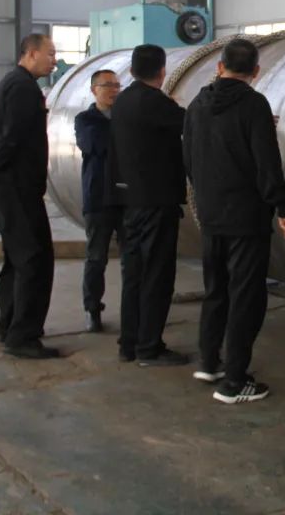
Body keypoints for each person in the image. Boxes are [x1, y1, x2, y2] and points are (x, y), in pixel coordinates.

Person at [183, 39, 285, 405]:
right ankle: (234, 382)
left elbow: (188, 157)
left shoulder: (197, 104)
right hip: (246, 217)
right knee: (246, 296)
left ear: (219, 66)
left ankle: (209, 362)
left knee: (216, 289)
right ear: (256, 72)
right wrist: (283, 207)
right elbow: (267, 163)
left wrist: (205, 194)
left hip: (211, 214)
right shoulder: (254, 105)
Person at [0, 33, 59, 359]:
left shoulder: (10, 83)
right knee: (35, 259)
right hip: (16, 189)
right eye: (50, 54)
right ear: (31, 53)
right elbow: (10, 139)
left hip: (9, 188)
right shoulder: (22, 88)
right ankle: (22, 337)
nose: (54, 61)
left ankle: (7, 326)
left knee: (17, 260)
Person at [110, 44, 189, 367]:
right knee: (157, 275)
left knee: (135, 274)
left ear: (131, 71)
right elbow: (193, 123)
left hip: (130, 201)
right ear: (162, 70)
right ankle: (149, 348)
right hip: (156, 201)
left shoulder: (123, 101)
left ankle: (129, 343)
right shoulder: (155, 103)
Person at [74, 69, 123, 333]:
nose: (114, 90)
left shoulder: (126, 117)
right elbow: (96, 144)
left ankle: (134, 309)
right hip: (98, 199)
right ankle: (92, 309)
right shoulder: (85, 120)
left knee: (132, 258)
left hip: (126, 197)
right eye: (107, 85)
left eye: (117, 85)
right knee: (96, 258)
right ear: (94, 90)